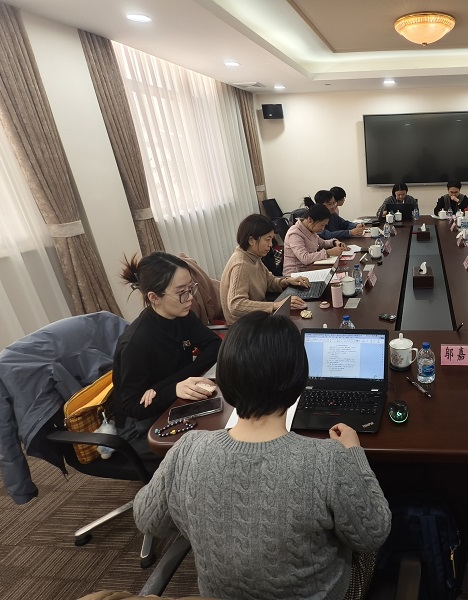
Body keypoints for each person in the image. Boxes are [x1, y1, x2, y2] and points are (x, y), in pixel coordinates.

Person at [133, 311, 392, 600]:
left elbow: (148, 518)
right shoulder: (328, 460)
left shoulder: (186, 450)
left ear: (225, 381)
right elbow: (374, 533)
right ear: (299, 381)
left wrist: (201, 514)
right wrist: (354, 454)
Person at [113, 252, 221, 465]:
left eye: (191, 288)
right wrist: (174, 388)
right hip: (140, 427)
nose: (190, 298)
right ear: (154, 297)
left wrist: (170, 385)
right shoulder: (136, 343)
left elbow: (214, 346)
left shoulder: (182, 316)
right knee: (207, 452)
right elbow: (132, 406)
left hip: (171, 402)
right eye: (181, 292)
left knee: (223, 425)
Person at [220, 214, 309, 324]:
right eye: (267, 239)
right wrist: (275, 305)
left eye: (271, 239)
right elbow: (236, 305)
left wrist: (287, 281)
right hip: (246, 325)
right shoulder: (241, 265)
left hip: (257, 317)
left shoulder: (253, 256)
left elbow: (269, 281)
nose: (270, 244)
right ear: (251, 240)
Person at [283, 203, 347, 275]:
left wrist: (335, 242)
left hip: (310, 268)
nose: (322, 228)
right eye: (322, 225)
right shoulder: (295, 234)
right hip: (295, 274)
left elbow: (322, 243)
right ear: (310, 220)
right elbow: (305, 258)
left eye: (324, 225)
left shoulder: (310, 230)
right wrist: (328, 253)